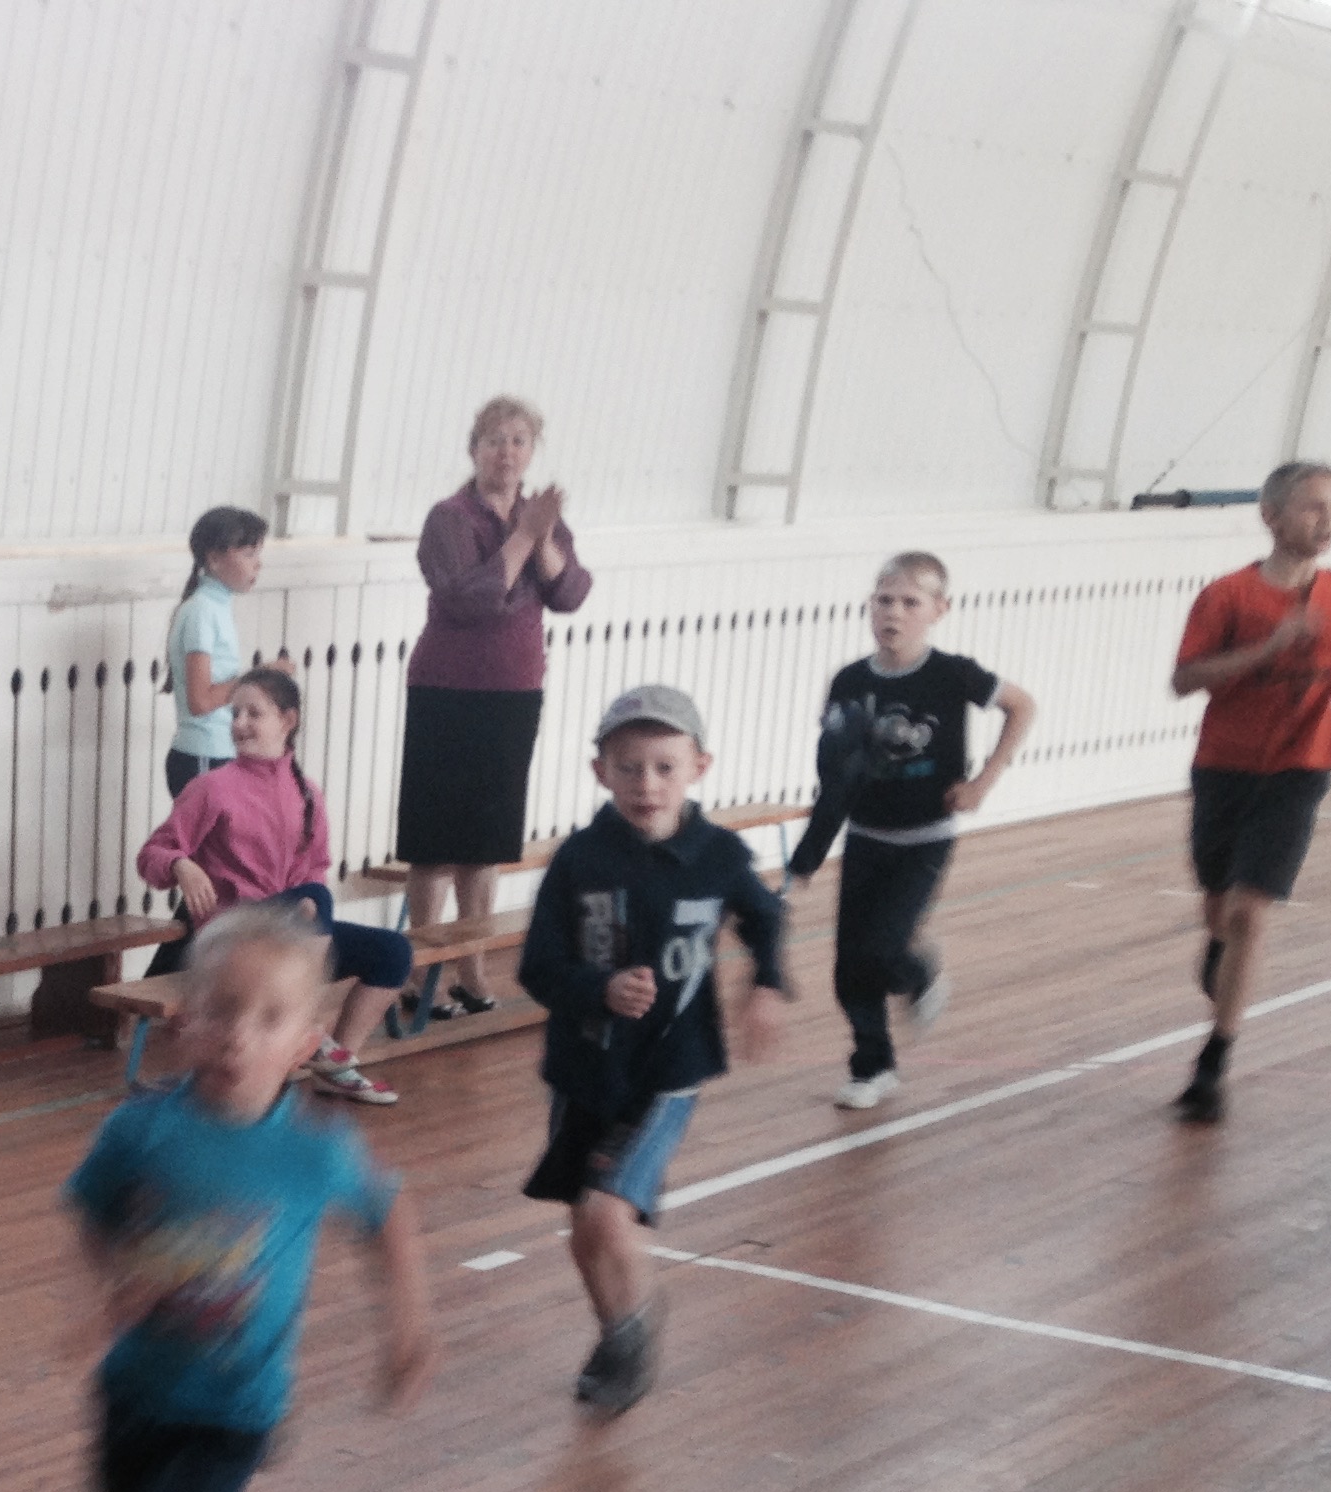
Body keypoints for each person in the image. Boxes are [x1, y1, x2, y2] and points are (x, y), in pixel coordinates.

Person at [2, 903, 434, 1492]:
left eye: (269, 1017)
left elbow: (388, 1214)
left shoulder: (314, 1150)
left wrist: (408, 1326)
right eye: (222, 1010)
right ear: (184, 1019)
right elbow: (91, 1216)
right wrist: (94, 1296)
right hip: (132, 1397)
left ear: (308, 1041)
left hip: (233, 1417)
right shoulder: (140, 1133)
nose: (240, 1034)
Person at [519, 686, 788, 1417]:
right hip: (586, 1069)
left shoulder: (717, 856)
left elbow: (766, 917)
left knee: (607, 1216)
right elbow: (538, 968)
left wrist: (766, 983)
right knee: (582, 1231)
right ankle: (620, 1327)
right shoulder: (578, 860)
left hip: (667, 1070)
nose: (647, 784)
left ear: (699, 767)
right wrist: (598, 989)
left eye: (665, 767)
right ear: (600, 771)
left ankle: (634, 1328)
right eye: (629, 767)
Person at [785, 553, 1035, 1110]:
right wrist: (807, 857)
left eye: (909, 602)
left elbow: (1022, 706)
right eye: (884, 600)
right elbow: (836, 777)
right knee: (850, 967)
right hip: (865, 838)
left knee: (884, 949)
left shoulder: (953, 674)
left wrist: (983, 781)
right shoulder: (849, 682)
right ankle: (872, 1066)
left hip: (924, 840)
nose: (893, 613)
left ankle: (919, 971)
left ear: (938, 609)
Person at [1167, 460, 1331, 1122]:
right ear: (1272, 517)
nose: (1328, 520)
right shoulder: (1228, 596)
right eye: (1313, 507)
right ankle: (1218, 942)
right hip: (1225, 769)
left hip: (1300, 769)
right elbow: (1184, 680)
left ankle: (1213, 1061)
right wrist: (1268, 648)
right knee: (1219, 905)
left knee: (1251, 911)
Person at [135, 664, 414, 1104]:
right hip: (234, 934)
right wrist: (180, 865)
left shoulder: (307, 793)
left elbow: (315, 867)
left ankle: (335, 1064)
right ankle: (308, 1030)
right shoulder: (212, 788)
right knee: (314, 897)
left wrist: (304, 918)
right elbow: (152, 855)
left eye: (253, 713)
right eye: (235, 714)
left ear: (287, 720)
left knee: (393, 951)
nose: (240, 723)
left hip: (288, 935)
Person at [397, 396, 592, 1012]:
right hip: (448, 690)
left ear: (532, 451)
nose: (506, 452)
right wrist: (526, 534)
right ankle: (419, 973)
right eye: (494, 440)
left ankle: (472, 969)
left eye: (519, 441)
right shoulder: (450, 517)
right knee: (436, 840)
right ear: (473, 449)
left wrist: (541, 535)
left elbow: (569, 592)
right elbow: (473, 599)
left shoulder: (539, 517)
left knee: (486, 840)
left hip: (515, 690)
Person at [167, 505, 268, 801]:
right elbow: (200, 701)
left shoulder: (216, 606)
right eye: (248, 554)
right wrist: (258, 680)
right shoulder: (202, 611)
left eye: (258, 554)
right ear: (213, 559)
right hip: (203, 755)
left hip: (218, 752)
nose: (258, 564)